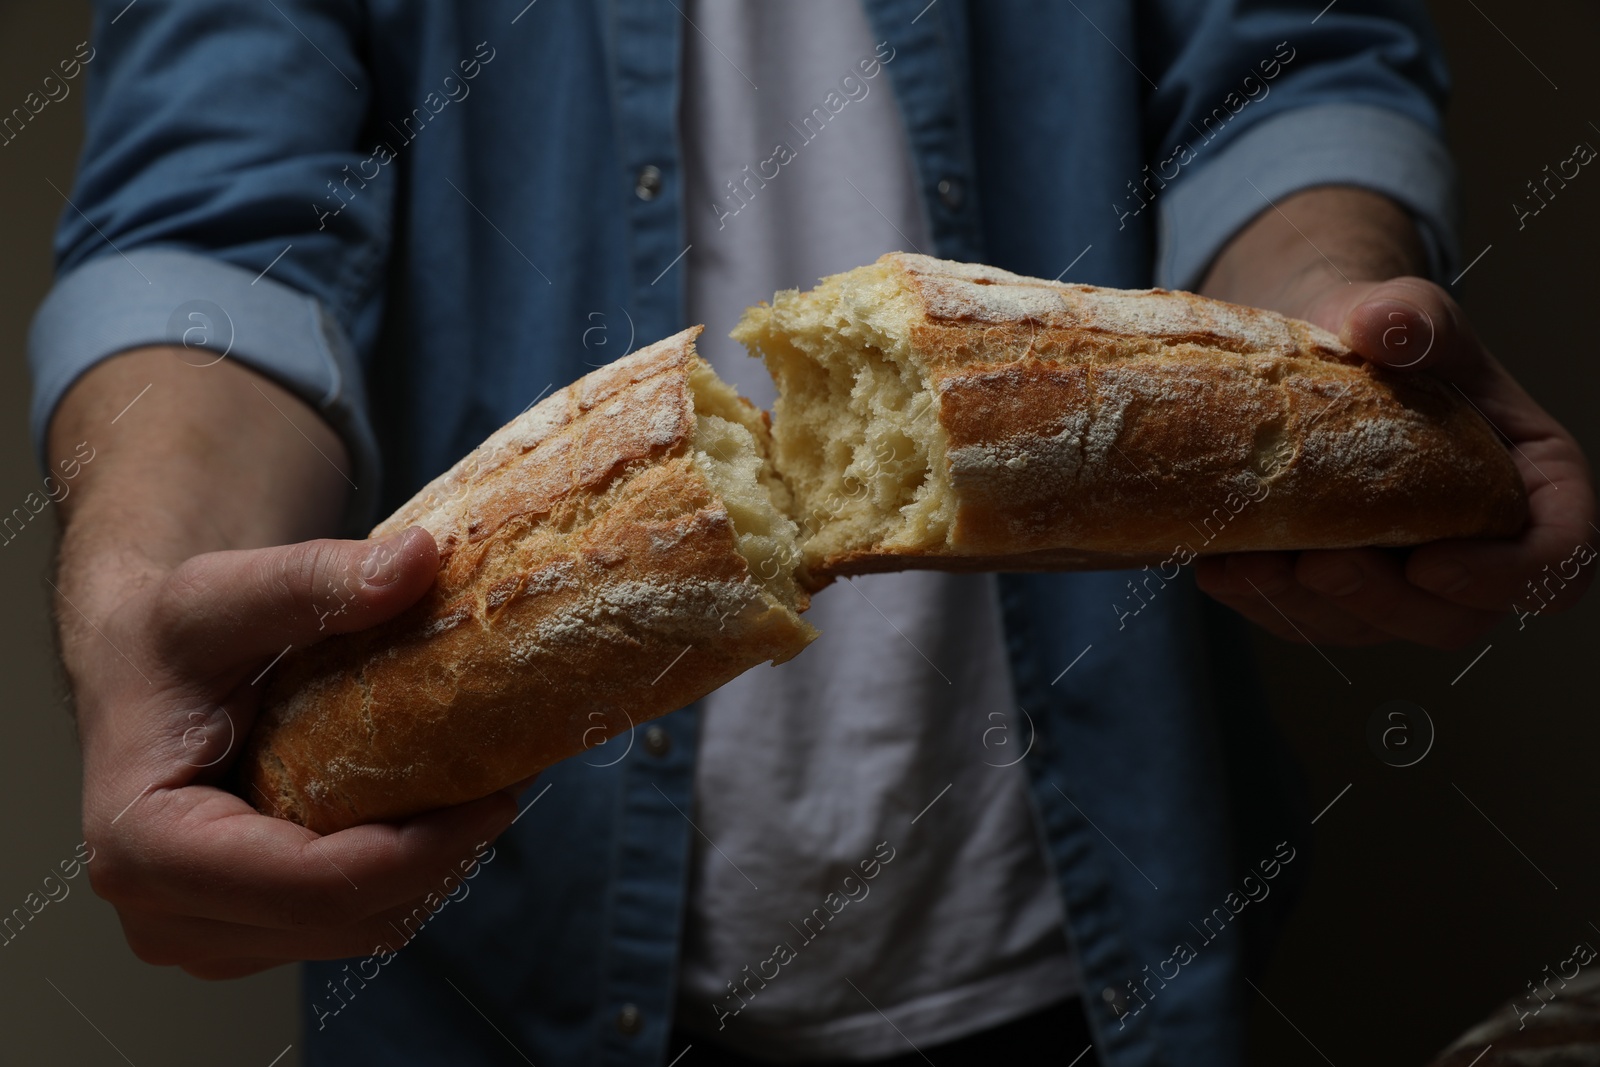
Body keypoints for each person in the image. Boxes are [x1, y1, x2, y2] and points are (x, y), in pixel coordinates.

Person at [28, 1, 1593, 1065]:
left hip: (1095, 944)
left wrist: (1325, 331)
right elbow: (216, 223)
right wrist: (150, 607)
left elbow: (1287, 61)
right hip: (492, 978)